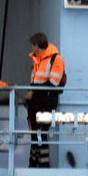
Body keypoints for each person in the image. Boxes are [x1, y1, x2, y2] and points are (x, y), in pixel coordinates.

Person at [25, 32, 65, 167]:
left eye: (32, 45)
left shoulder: (56, 59)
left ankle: (43, 165)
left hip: (47, 102)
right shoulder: (37, 59)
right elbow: (35, 81)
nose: (31, 48)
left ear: (36, 45)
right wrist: (30, 94)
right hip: (35, 102)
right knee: (35, 135)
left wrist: (32, 91)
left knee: (41, 134)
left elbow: (54, 83)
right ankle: (34, 163)